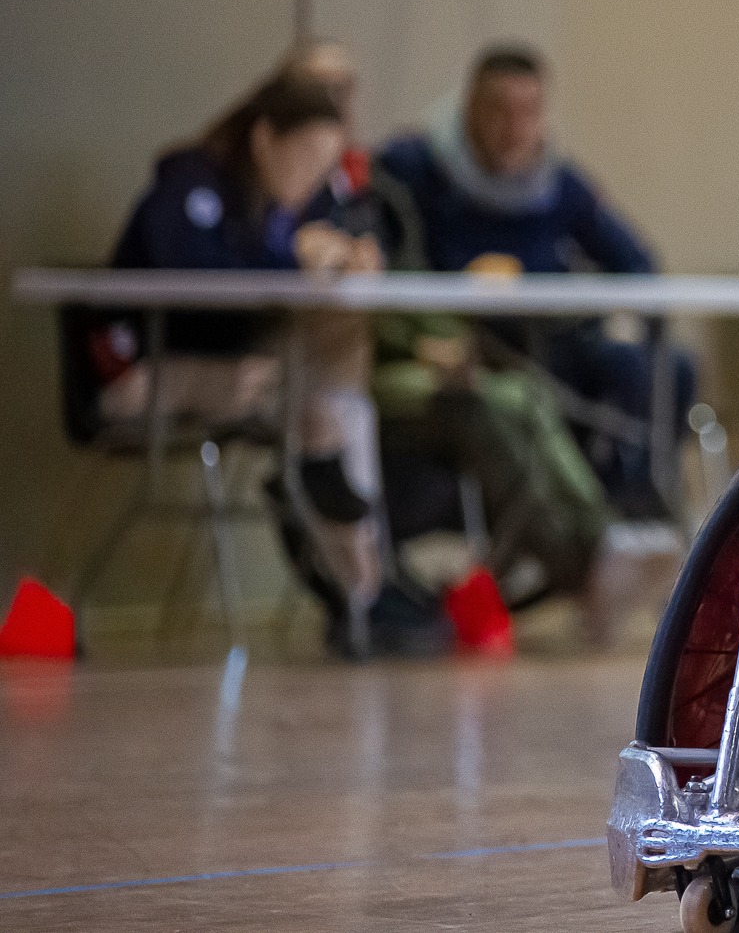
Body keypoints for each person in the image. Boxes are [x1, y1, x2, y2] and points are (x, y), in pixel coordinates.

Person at [98, 73, 449, 658]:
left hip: (232, 376)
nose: (313, 176)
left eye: (325, 162)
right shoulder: (192, 182)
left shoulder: (289, 205)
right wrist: (293, 257)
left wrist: (346, 253)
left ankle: (359, 588)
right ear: (264, 139)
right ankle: (348, 552)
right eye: (305, 157)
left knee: (326, 398)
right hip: (136, 377)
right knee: (303, 396)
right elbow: (188, 271)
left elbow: (328, 244)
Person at [379, 44, 695, 520]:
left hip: (558, 345)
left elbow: (635, 261)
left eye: (528, 112)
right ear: (469, 108)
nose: (514, 129)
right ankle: (584, 524)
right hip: (472, 350)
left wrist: (624, 318)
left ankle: (628, 505)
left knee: (666, 367)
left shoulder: (561, 185)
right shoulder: (413, 171)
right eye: (499, 111)